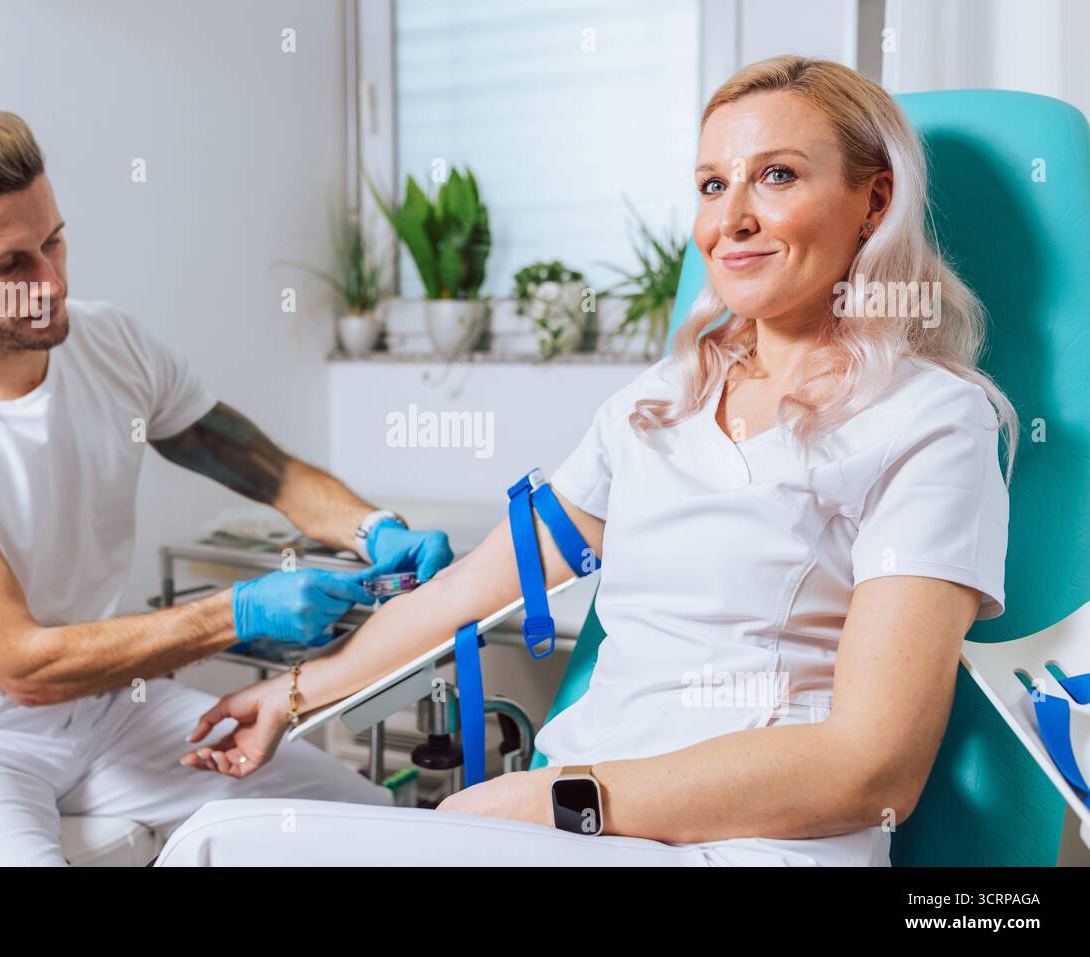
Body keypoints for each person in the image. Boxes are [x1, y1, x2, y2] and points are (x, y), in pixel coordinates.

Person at [158, 56, 1016, 867]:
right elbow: (470, 588)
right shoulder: (658, 403)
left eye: (778, 176)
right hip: (582, 831)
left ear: (876, 200)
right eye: (713, 185)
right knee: (224, 837)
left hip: (747, 842)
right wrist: (296, 693)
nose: (732, 219)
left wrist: (564, 798)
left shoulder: (931, 421)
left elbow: (872, 770)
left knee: (216, 847)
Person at [0, 89, 452, 865]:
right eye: (9, 264)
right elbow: (24, 665)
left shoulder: (111, 343)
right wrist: (241, 612)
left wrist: (371, 527)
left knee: (368, 828)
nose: (50, 282)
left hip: (110, 710)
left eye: (55, 242)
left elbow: (268, 469)